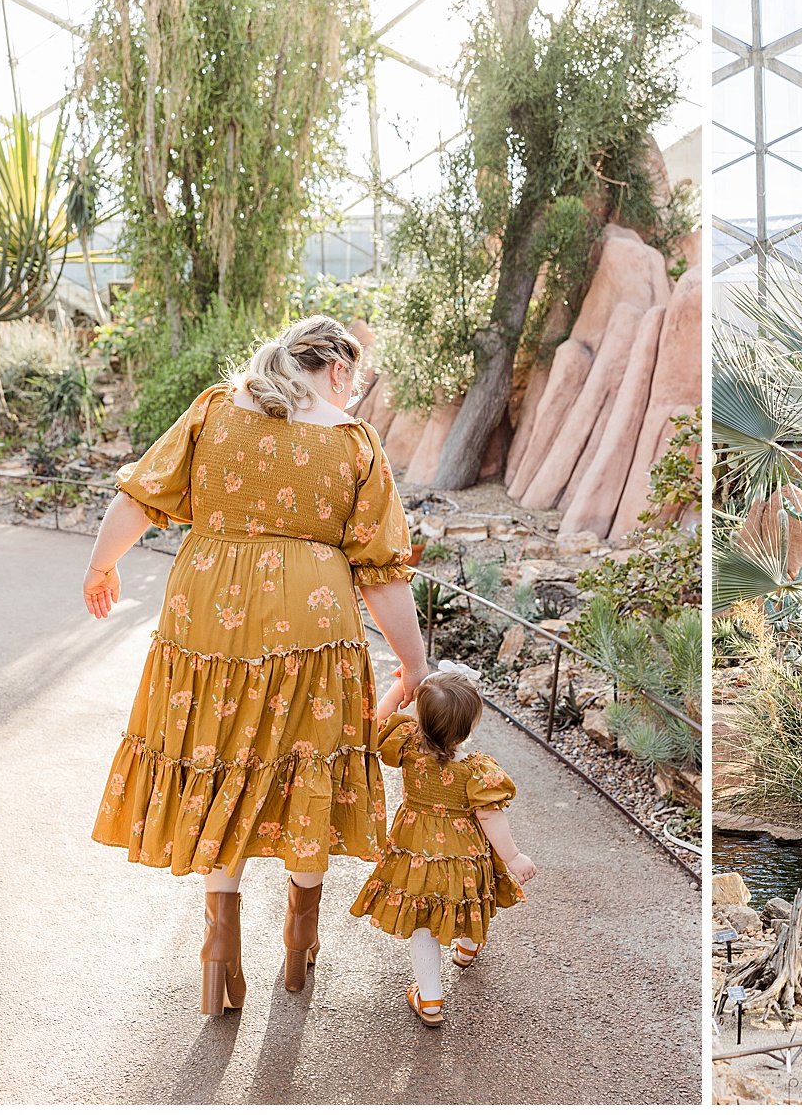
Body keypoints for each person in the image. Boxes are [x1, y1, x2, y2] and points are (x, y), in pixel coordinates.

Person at [83, 315, 428, 1015]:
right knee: (306, 766)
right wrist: (412, 663)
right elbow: (382, 572)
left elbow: (138, 496)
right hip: (313, 626)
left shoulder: (216, 408)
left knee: (220, 767)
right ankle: (299, 946)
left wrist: (100, 564)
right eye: (354, 380)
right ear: (337, 368)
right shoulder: (353, 443)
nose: (353, 393)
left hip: (207, 617)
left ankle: (218, 958)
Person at [350, 662, 536, 1026]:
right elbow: (490, 817)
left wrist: (400, 686)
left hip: (415, 853)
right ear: (471, 725)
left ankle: (431, 999)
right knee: (467, 899)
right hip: (463, 855)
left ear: (420, 718)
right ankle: (467, 948)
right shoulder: (478, 770)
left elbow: (370, 727)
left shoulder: (405, 745)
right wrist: (513, 857)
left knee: (424, 921)